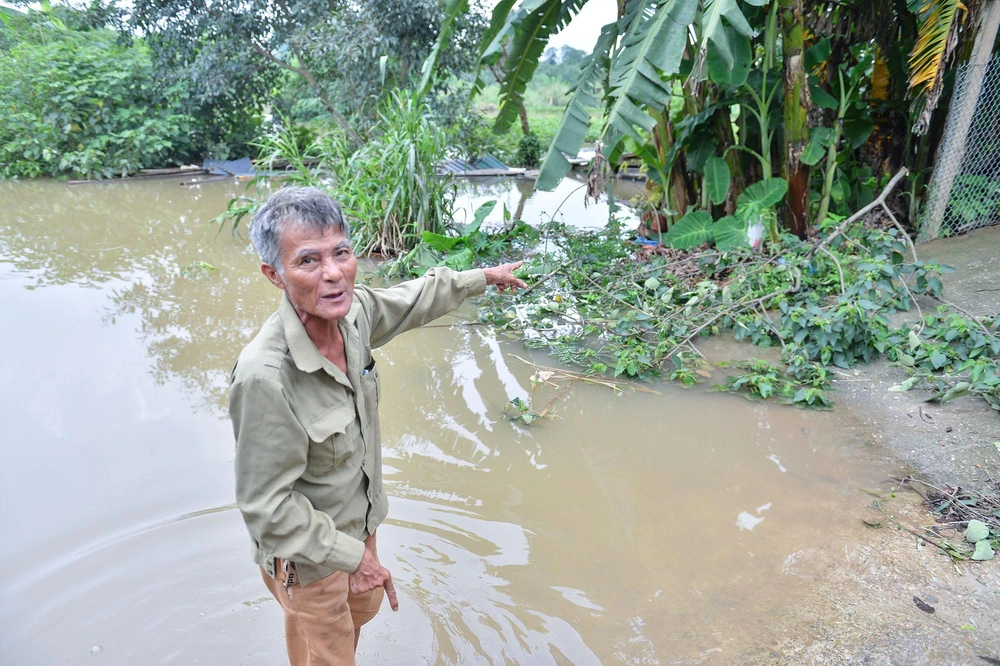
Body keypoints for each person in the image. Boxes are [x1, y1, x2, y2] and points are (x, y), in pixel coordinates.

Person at [229, 186, 526, 665]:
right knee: (329, 647)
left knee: (348, 623)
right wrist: (351, 558)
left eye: (341, 253)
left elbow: (412, 300)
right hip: (311, 555)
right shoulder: (266, 377)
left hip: (360, 524)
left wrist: (482, 277)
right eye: (308, 261)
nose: (333, 274)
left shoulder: (353, 318)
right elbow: (266, 509)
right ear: (275, 275)